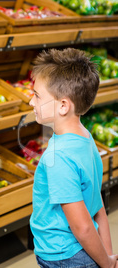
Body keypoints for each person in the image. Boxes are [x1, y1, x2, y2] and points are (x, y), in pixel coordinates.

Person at [29, 48, 118, 268]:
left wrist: (106, 264)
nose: (31, 101)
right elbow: (97, 209)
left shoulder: (58, 157)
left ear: (63, 106)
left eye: (37, 95)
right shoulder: (86, 138)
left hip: (64, 256)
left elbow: (82, 228)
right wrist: (107, 257)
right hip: (85, 252)